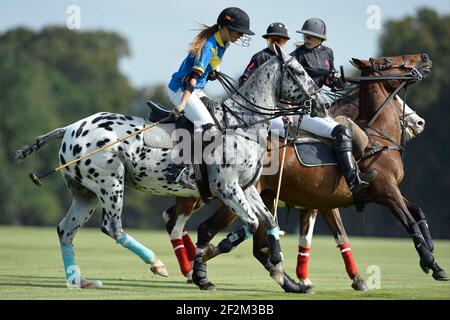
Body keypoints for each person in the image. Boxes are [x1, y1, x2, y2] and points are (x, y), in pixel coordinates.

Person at [273, 18, 374, 198]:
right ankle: (353, 179)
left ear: (321, 39)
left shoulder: (328, 53)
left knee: (346, 131)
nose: (307, 38)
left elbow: (329, 81)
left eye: (312, 36)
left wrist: (336, 81)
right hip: (301, 109)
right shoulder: (297, 56)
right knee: (340, 132)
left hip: (319, 107)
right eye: (306, 35)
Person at [166, 7, 254, 188]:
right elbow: (193, 77)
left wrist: (214, 72)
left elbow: (211, 66)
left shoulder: (223, 43)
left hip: (196, 90)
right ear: (225, 28)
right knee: (208, 127)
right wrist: (182, 104)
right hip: (181, 90)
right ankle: (178, 169)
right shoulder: (209, 46)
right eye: (238, 32)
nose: (240, 36)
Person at [238, 22, 290, 86]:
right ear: (267, 40)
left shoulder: (288, 60)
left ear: (285, 41)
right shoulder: (261, 57)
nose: (275, 44)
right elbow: (244, 79)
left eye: (279, 41)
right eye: (272, 40)